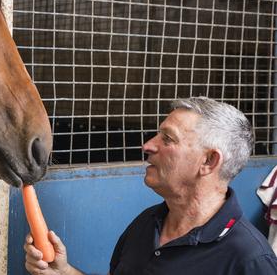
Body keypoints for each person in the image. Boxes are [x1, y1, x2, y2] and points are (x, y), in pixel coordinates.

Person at [24, 97, 277, 274]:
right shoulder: (146, 224)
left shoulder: (249, 260)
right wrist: (63, 272)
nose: (148, 145)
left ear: (209, 161)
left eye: (167, 138)